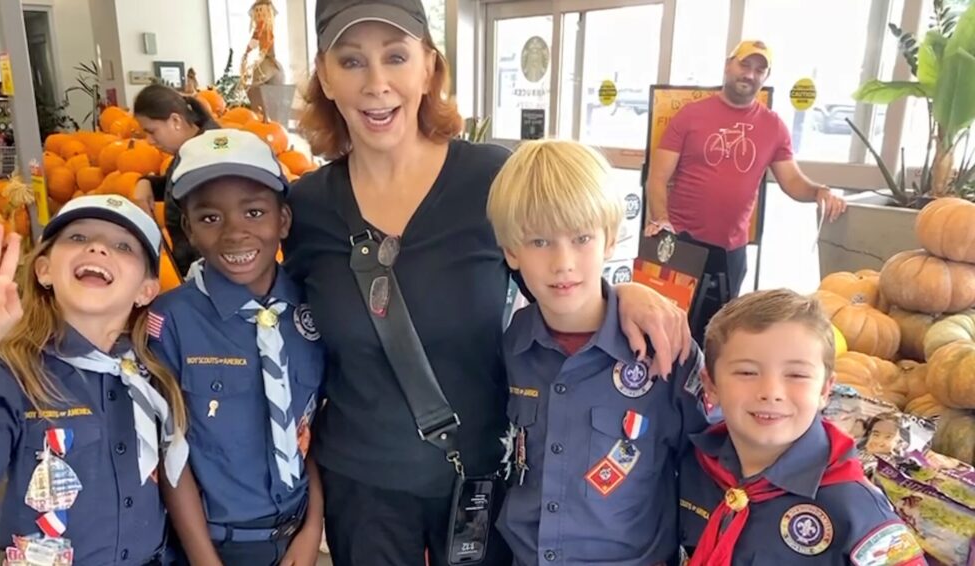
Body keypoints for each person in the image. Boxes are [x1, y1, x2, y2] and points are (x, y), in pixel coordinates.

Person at [286, 1, 694, 564]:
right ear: (325, 76)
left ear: (429, 66)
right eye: (352, 61)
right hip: (364, 490)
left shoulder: (489, 178)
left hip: (480, 478)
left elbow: (561, 273)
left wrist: (626, 292)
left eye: (396, 57)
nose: (376, 84)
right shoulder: (305, 207)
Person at [487, 139, 709, 565]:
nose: (563, 262)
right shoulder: (515, 342)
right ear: (511, 252)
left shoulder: (664, 350)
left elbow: (705, 460)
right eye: (538, 242)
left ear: (609, 240)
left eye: (582, 238)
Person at [0, 197, 188, 565]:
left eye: (123, 245)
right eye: (77, 238)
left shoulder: (156, 372)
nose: (97, 247)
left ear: (146, 290)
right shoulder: (15, 370)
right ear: (44, 270)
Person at [148, 129, 324, 566]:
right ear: (187, 227)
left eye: (254, 212)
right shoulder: (168, 322)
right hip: (214, 546)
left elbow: (320, 426)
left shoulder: (314, 307)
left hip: (298, 537)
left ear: (283, 220)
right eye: (210, 218)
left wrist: (313, 527)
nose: (235, 233)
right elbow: (170, 454)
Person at [678, 289, 926, 566]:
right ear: (710, 386)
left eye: (796, 375)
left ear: (825, 389)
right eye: (747, 372)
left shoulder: (854, 507)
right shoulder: (691, 464)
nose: (771, 392)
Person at [644, 40, 847, 341]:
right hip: (681, 244)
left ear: (765, 77)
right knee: (666, 333)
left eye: (759, 70)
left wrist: (819, 191)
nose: (749, 75)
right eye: (744, 65)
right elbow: (657, 178)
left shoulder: (773, 126)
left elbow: (792, 180)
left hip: (730, 252)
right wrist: (662, 221)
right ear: (728, 65)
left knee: (718, 337)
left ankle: (705, 389)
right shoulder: (690, 116)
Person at [132, 83, 220, 276]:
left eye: (152, 131)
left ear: (175, 121)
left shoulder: (211, 156)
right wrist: (147, 182)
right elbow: (177, 184)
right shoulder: (189, 151)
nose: (149, 141)